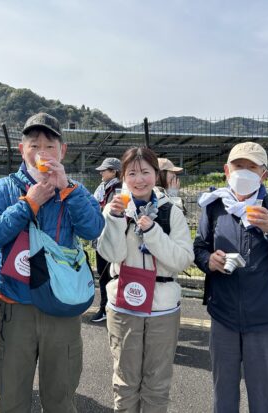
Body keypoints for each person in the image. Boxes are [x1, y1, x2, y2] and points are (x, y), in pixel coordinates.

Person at [0, 112, 104, 413]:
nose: (42, 153)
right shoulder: (4, 188)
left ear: (63, 151)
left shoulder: (75, 189)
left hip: (62, 304)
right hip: (16, 304)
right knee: (10, 398)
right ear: (22, 150)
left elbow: (93, 229)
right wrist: (28, 204)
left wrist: (67, 190)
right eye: (34, 146)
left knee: (60, 398)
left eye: (50, 146)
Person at [193, 142, 268, 413]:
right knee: (223, 396)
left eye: (252, 167)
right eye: (238, 166)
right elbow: (199, 247)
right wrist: (209, 260)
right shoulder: (214, 206)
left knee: (266, 399)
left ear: (263, 175)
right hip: (223, 315)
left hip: (267, 318)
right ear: (227, 171)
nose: (244, 172)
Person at [96, 147, 194, 413]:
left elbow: (183, 259)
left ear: (156, 174)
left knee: (157, 384)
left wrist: (152, 232)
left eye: (145, 172)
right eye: (132, 173)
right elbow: (112, 255)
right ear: (123, 177)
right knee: (125, 381)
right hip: (123, 304)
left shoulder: (171, 212)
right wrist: (115, 220)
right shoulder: (115, 209)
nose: (139, 179)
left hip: (163, 308)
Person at [91, 157, 122, 323]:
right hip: (101, 237)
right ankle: (107, 308)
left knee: (107, 276)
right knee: (103, 275)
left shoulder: (119, 189)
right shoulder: (103, 188)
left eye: (104, 170)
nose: (101, 173)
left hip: (110, 239)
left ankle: (106, 309)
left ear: (114, 172)